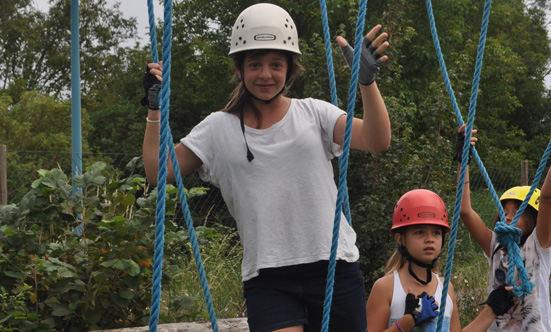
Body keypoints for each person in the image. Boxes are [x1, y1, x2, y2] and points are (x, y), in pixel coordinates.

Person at [142, 3, 391, 332]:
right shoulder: (218, 128)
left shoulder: (314, 113)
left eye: (276, 64)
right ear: (240, 68)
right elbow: (159, 171)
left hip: (333, 267)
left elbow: (376, 140)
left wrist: (367, 84)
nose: (265, 74)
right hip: (268, 278)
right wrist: (154, 109)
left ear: (290, 68)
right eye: (255, 64)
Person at [365, 189, 515, 332]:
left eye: (436, 232)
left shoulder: (445, 287)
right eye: (419, 232)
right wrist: (408, 322)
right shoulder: (386, 287)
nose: (429, 239)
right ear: (400, 239)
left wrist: (492, 309)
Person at [456, 124, 551, 332]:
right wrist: (463, 160)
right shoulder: (495, 245)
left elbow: (546, 197)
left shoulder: (540, 245)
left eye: (517, 210)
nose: (508, 216)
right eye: (504, 211)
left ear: (533, 216)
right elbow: (465, 211)